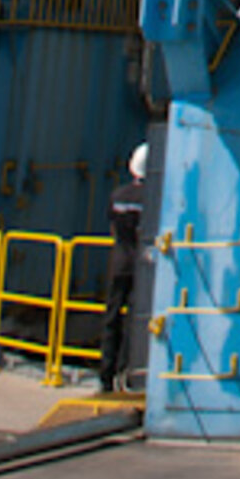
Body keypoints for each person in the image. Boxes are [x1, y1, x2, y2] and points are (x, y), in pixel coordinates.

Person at [97, 142, 148, 397]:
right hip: (141, 264)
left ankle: (105, 374)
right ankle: (126, 371)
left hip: (118, 261)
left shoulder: (117, 195)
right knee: (134, 319)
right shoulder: (152, 199)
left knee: (112, 316)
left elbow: (114, 227)